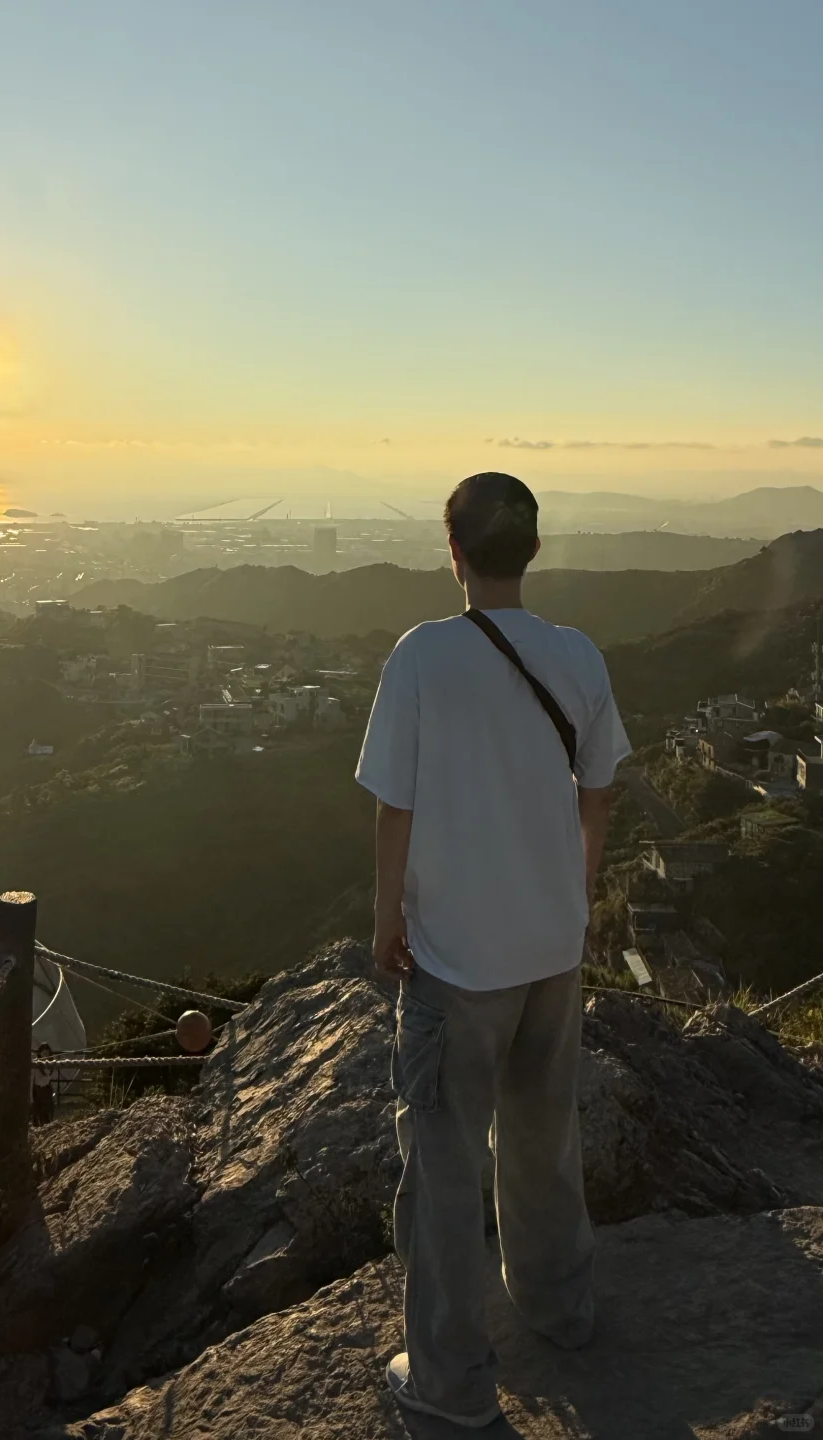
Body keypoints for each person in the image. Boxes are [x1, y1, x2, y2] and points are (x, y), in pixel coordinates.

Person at [355, 472, 631, 1429]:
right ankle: (561, 1308)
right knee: (545, 1137)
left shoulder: (423, 657)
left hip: (456, 957)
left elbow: (396, 805)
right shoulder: (579, 655)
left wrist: (387, 915)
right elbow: (597, 792)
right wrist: (576, 889)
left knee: (440, 1164)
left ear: (454, 551)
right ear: (536, 550)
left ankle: (451, 1384)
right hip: (553, 944)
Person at [31, 1042, 55, 1126]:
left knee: (47, 1112)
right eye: (44, 1053)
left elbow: (48, 1076)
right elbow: (32, 1080)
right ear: (40, 1054)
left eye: (47, 1053)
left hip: (46, 1089)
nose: (45, 1055)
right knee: (38, 1112)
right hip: (38, 1090)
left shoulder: (50, 1065)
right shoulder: (36, 1064)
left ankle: (47, 1126)